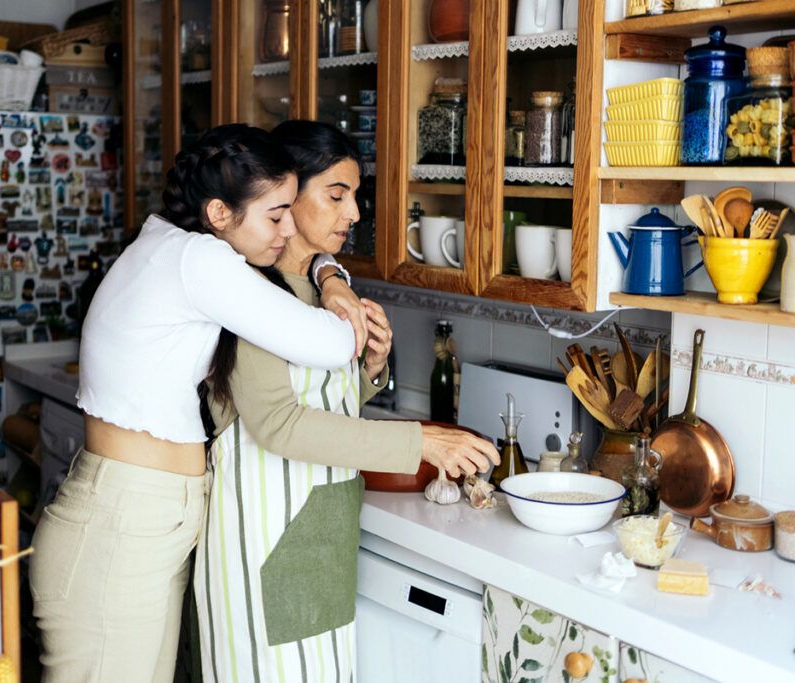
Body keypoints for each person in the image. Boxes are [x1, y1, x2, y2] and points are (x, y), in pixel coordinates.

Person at [29, 124, 369, 683]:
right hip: (124, 521)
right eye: (276, 214)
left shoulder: (170, 245)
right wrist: (329, 277)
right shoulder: (198, 262)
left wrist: (324, 269)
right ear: (218, 213)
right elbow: (331, 343)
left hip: (138, 515)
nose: (287, 230)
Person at [195, 120, 500, 682]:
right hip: (262, 542)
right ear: (286, 197)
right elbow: (279, 426)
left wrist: (371, 370)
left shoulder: (326, 287)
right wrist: (423, 440)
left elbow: (324, 402)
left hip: (319, 539)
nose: (354, 213)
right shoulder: (250, 296)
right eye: (336, 196)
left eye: (354, 196)